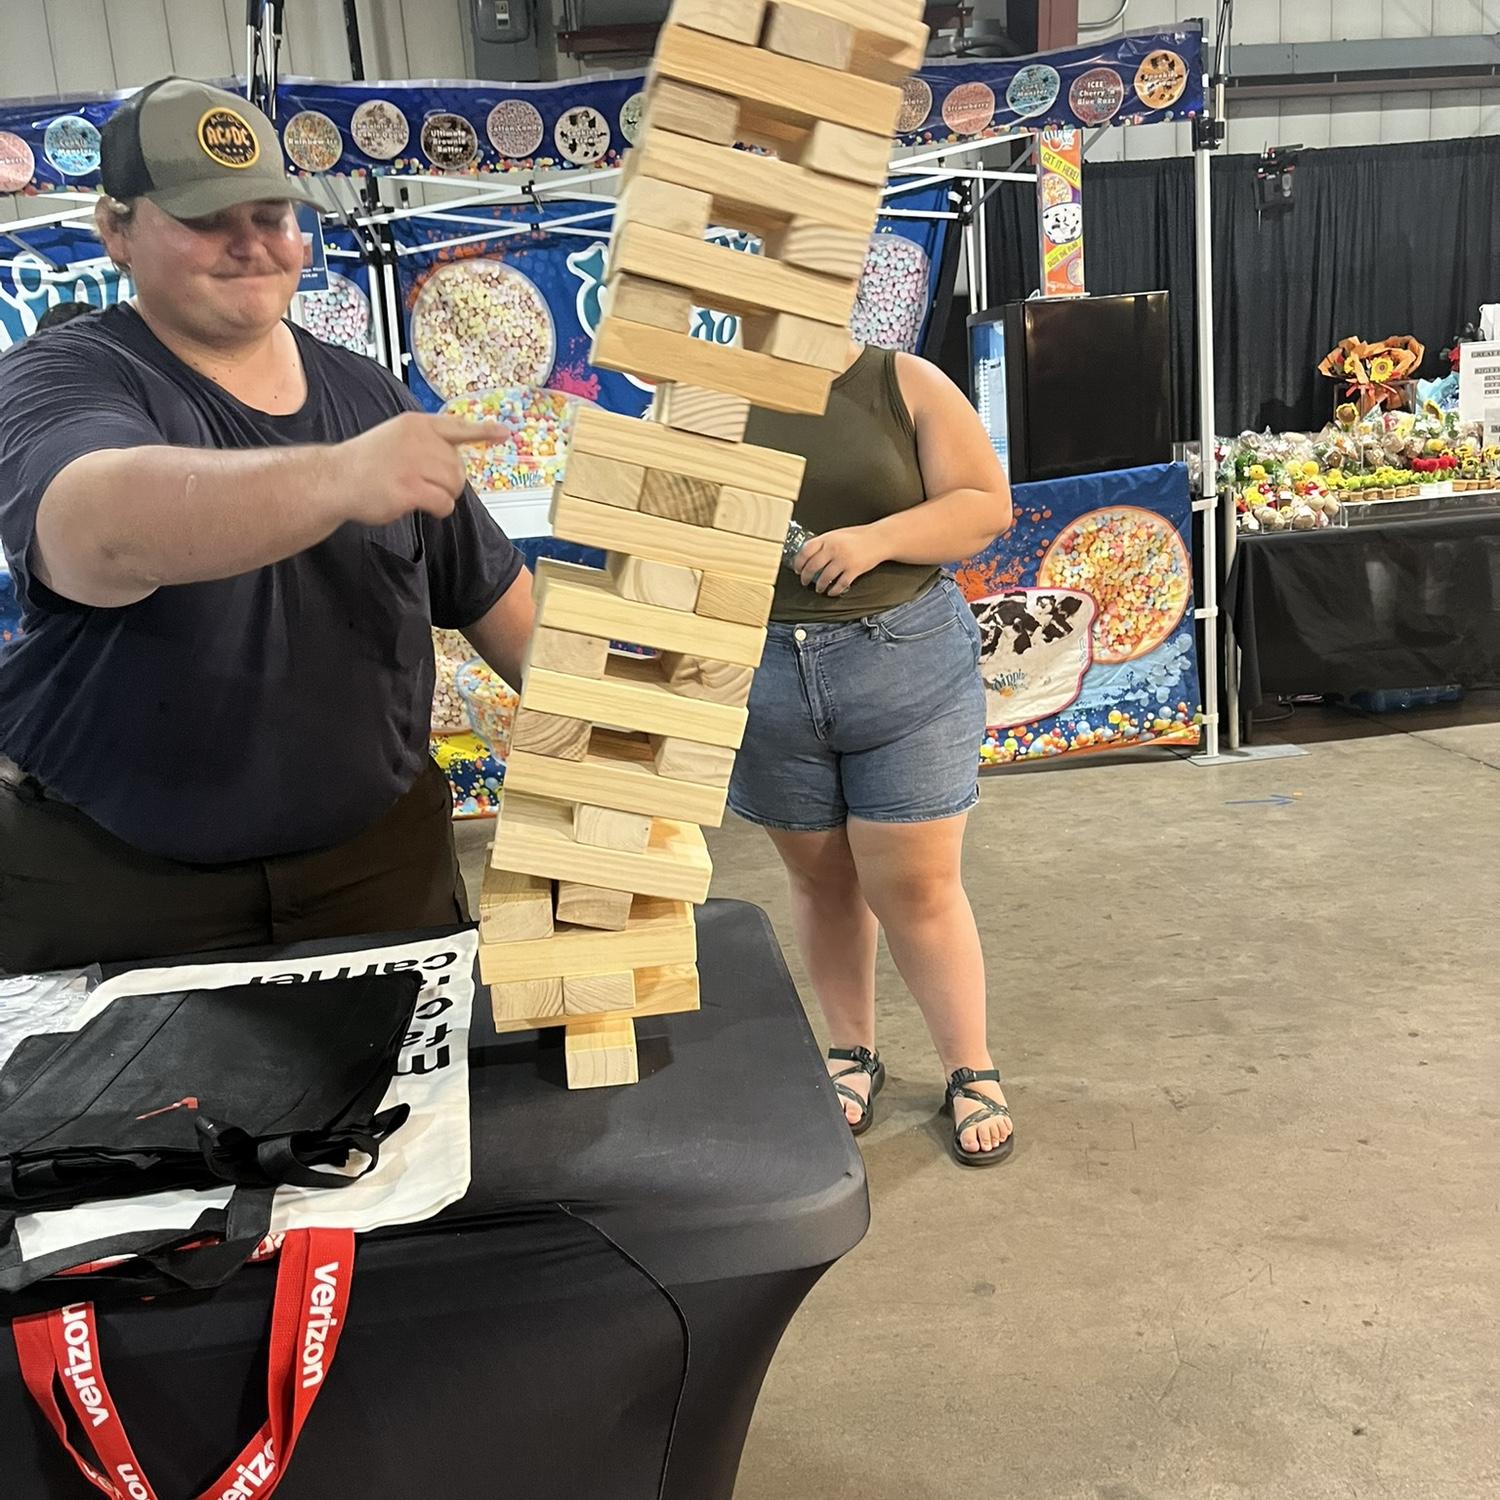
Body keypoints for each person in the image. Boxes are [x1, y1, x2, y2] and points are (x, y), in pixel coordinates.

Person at [0, 77, 532, 976]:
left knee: (420, 1114)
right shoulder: (64, 378)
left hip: (376, 869)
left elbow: (497, 602)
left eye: (273, 215)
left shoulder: (370, 394)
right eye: (208, 218)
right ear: (116, 231)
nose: (250, 245)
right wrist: (336, 475)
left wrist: (635, 741)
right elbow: (100, 534)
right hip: (123, 887)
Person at [733, 341, 1016, 1166]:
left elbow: (984, 504)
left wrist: (877, 539)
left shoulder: (903, 381)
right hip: (766, 674)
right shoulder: (715, 391)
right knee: (820, 878)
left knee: (918, 886)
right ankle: (850, 1051)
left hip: (905, 664)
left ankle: (971, 1067)